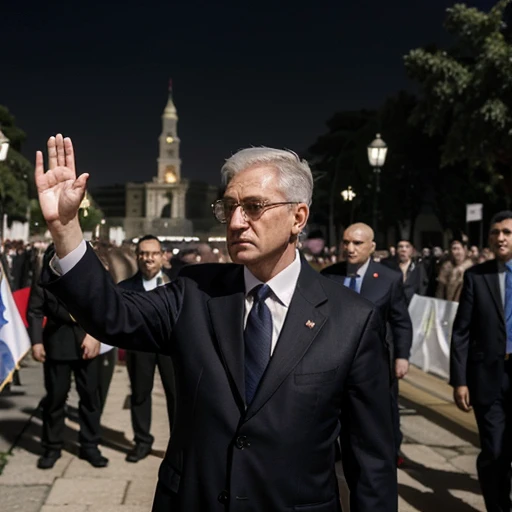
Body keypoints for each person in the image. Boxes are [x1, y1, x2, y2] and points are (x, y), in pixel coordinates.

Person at [35, 135, 396, 511]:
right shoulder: (194, 291)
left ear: (298, 217)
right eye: (229, 207)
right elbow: (111, 317)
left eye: (254, 207)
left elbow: (371, 461)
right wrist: (66, 229)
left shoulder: (352, 320)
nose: (237, 222)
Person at [322, 223, 412, 467]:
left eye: (357, 243)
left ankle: (388, 453)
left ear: (372, 247)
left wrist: (402, 356)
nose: (350, 248)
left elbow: (400, 320)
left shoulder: (389, 278)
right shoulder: (329, 275)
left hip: (377, 364)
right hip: (336, 361)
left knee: (383, 414)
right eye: (346, 242)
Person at [451, 210, 512, 512]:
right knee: (495, 450)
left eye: (507, 232)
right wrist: (460, 380)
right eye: (495, 232)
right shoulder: (477, 276)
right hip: (488, 379)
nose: (500, 238)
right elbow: (461, 332)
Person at [26, 245, 108, 469]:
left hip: (87, 342)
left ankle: (90, 445)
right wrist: (36, 342)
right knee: (55, 398)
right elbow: (34, 311)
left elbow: (103, 307)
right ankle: (52, 447)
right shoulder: (45, 279)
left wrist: (94, 335)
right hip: (57, 343)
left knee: (91, 397)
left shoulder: (90, 275)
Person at [120, 234, 176, 463]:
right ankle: (142, 442)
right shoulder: (125, 288)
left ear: (162, 257)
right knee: (140, 394)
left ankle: (177, 445)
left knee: (176, 395)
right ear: (137, 257)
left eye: (153, 253)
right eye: (143, 253)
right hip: (140, 348)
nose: (148, 258)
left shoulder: (175, 286)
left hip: (170, 348)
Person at [381, 239, 429, 304]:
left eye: (407, 247)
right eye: (400, 247)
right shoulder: (388, 266)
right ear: (396, 250)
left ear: (412, 250)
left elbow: (422, 286)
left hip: (413, 304)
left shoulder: (418, 267)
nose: (403, 250)